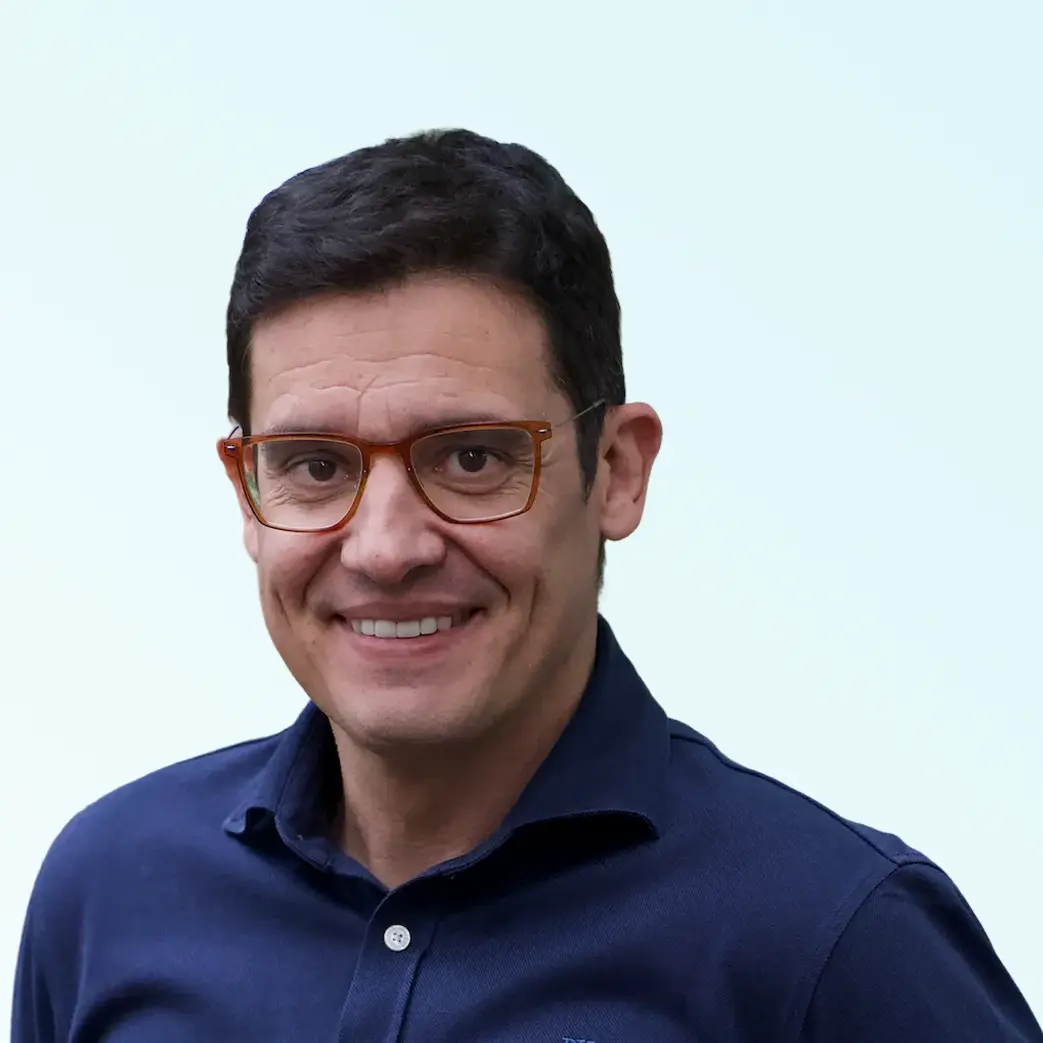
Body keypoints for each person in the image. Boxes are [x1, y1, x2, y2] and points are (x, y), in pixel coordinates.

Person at [12, 129, 1041, 1043]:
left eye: (469, 459)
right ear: (246, 488)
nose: (383, 547)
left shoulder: (837, 941)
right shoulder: (111, 889)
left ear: (615, 470)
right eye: (315, 465)